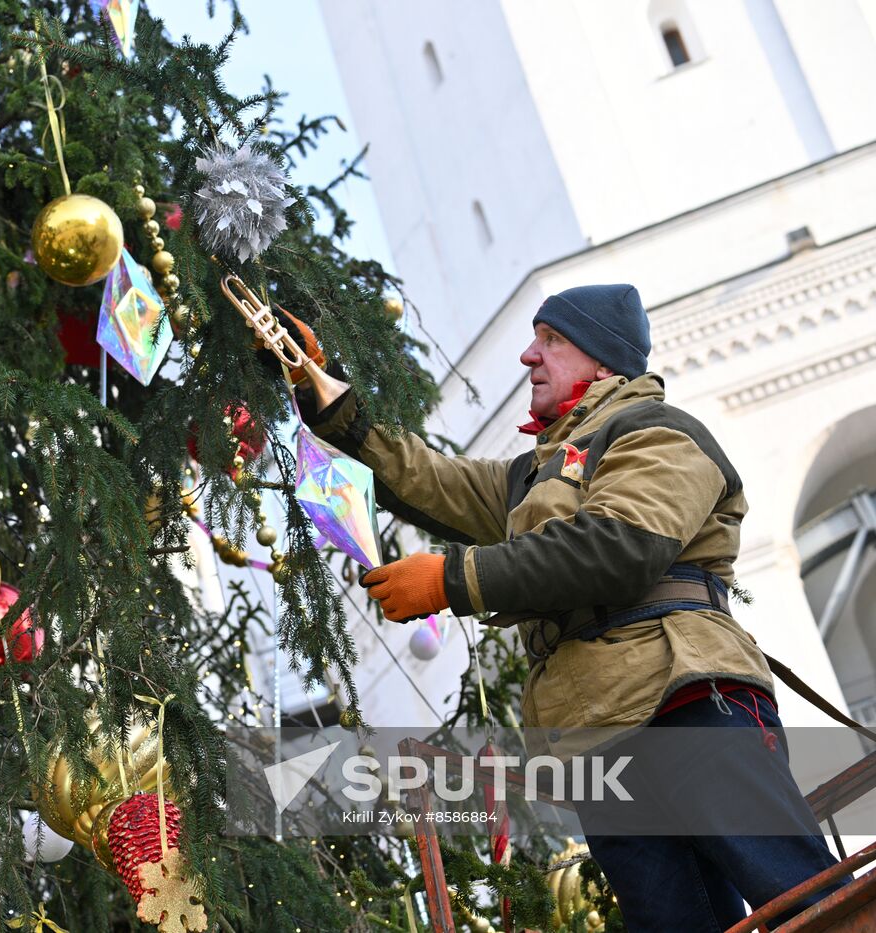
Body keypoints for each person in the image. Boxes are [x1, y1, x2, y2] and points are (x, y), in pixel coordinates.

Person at [295, 284, 848, 931]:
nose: (530, 355)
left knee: (810, 900)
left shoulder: (656, 431)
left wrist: (454, 579)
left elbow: (621, 546)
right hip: (598, 736)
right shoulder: (535, 476)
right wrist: (328, 399)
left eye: (553, 339)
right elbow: (427, 479)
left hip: (686, 697)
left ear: (605, 362)